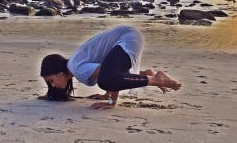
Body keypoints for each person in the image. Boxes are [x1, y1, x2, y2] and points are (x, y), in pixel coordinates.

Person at [40, 25, 181, 109]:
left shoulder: (78, 70)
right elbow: (107, 66)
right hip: (127, 35)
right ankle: (146, 73)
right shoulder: (74, 64)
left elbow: (110, 74)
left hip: (128, 37)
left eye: (51, 80)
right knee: (106, 77)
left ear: (59, 72)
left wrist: (111, 101)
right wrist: (107, 94)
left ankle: (157, 79)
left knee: (105, 79)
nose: (53, 86)